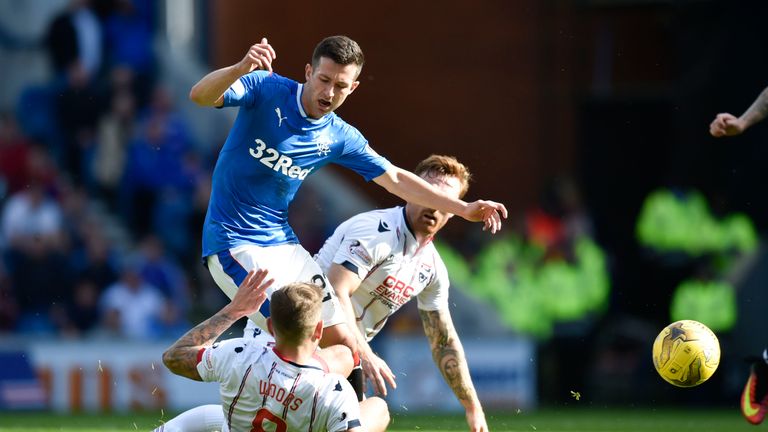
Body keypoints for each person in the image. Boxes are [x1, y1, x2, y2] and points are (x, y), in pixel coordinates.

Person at [190, 36, 507, 377]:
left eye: (340, 86)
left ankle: (345, 420)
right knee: (300, 338)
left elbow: (397, 179)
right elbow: (200, 96)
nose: (328, 93)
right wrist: (241, 68)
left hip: (283, 244)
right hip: (234, 242)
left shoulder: (339, 136)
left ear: (353, 87)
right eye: (324, 80)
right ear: (309, 72)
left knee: (345, 345)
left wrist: (462, 208)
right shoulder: (266, 87)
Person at [173, 155, 490, 432]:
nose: (434, 206)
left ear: (453, 211)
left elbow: (443, 339)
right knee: (364, 413)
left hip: (338, 357)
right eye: (427, 193)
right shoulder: (378, 231)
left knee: (373, 413)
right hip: (293, 340)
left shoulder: (431, 267)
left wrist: (472, 406)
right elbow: (338, 292)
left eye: (444, 202)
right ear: (412, 192)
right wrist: (363, 354)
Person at [158, 269, 389, 432]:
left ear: (270, 326)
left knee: (200, 419)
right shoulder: (333, 390)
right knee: (378, 408)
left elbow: (174, 357)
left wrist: (234, 310)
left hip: (238, 421)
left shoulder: (240, 354)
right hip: (314, 396)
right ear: (318, 331)